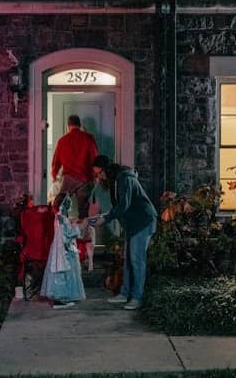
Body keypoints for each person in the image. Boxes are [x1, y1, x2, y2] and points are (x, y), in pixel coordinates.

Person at [89, 155, 157, 311]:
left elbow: (123, 206)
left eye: (99, 173)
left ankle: (137, 297)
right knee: (127, 260)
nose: (98, 177)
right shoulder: (115, 181)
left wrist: (105, 219)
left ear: (106, 170)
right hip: (133, 224)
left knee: (136, 260)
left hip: (143, 222)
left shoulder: (124, 180)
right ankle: (124, 293)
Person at [40, 194, 86, 309]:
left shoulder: (61, 217)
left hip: (63, 248)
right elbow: (68, 234)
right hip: (64, 250)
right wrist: (78, 226)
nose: (70, 205)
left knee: (65, 273)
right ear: (64, 204)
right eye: (68, 203)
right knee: (63, 274)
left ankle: (63, 298)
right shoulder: (62, 218)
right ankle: (60, 300)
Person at [51, 115, 98, 218]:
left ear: (68, 126)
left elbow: (56, 162)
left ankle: (63, 229)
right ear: (80, 125)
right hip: (85, 178)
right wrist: (95, 176)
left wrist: (54, 175)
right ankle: (83, 232)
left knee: (59, 207)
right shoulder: (89, 138)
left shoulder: (62, 141)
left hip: (69, 179)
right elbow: (95, 159)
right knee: (83, 211)